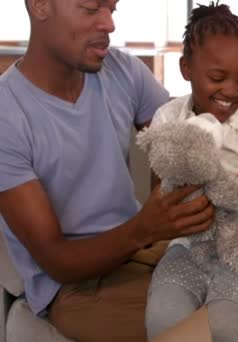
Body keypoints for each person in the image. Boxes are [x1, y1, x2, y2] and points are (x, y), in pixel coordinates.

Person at [0, 1, 216, 342]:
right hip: (75, 288)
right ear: (40, 5)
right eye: (90, 9)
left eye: (112, 8)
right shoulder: (7, 114)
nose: (109, 24)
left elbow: (185, 144)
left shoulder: (123, 71)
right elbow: (56, 261)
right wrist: (146, 228)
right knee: (211, 331)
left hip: (144, 254)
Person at [144, 3, 238, 341]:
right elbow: (159, 207)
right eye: (217, 78)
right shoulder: (168, 120)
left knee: (222, 328)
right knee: (162, 320)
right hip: (189, 246)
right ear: (186, 68)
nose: (231, 91)